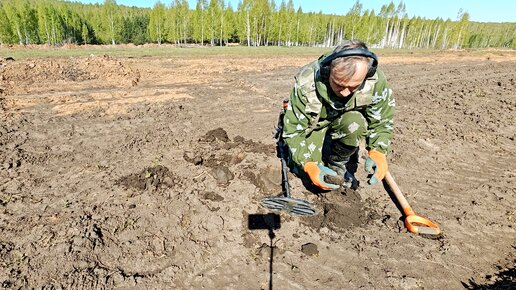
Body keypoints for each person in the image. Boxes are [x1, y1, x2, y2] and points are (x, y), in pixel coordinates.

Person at [282, 40, 394, 191]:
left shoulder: (374, 81)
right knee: (307, 174)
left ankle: (338, 162)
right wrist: (308, 165)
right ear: (328, 71)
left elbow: (382, 121)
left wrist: (378, 150)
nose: (345, 92)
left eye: (353, 86)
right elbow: (293, 132)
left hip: (346, 121)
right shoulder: (307, 82)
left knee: (355, 123)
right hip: (314, 125)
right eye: (339, 84)